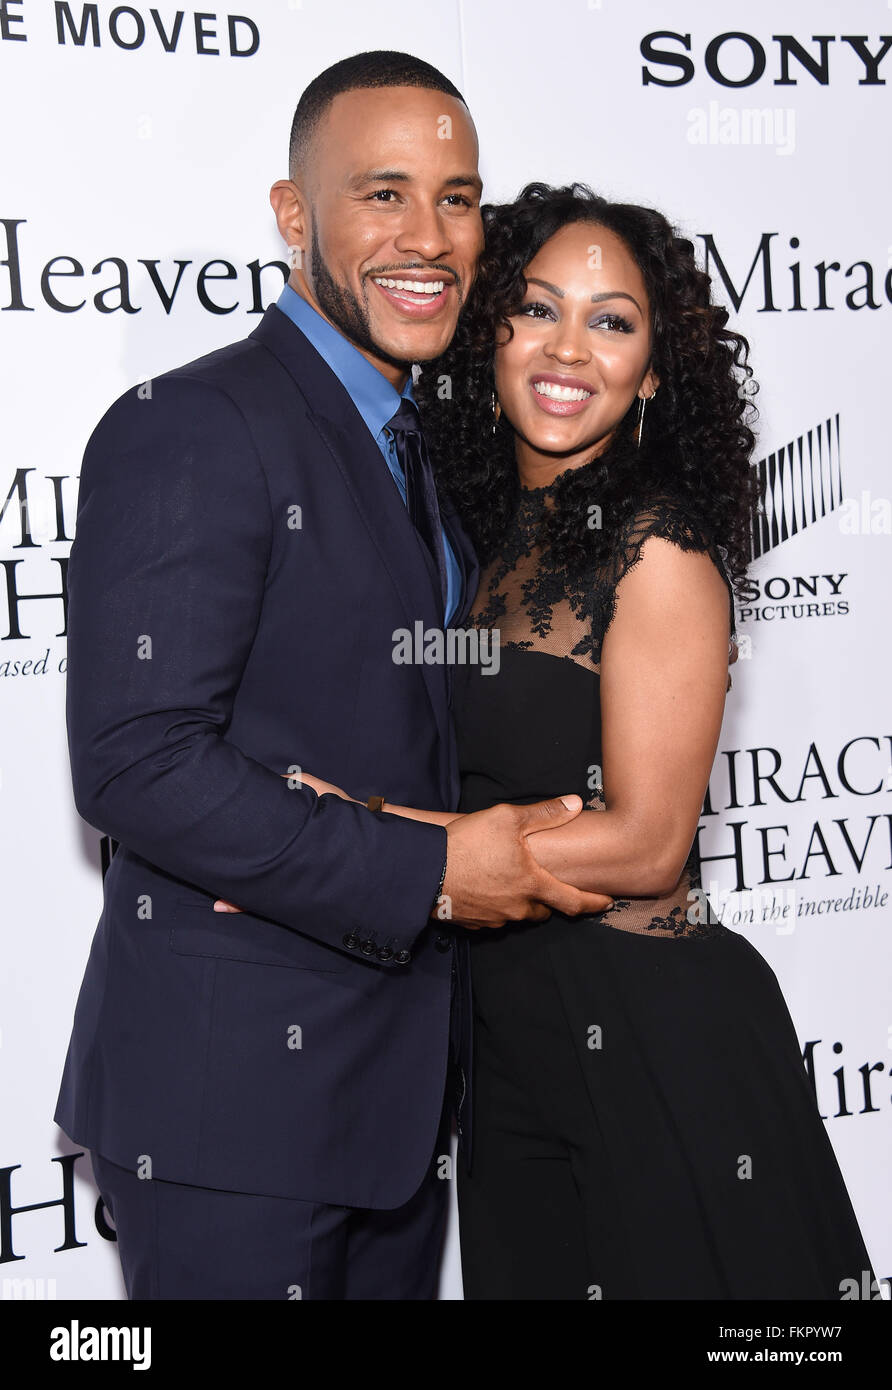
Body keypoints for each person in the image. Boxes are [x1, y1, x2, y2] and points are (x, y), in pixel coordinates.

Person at [54, 59, 611, 1303]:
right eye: (383, 194)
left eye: (457, 199)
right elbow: (137, 759)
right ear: (294, 216)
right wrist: (434, 870)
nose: (429, 239)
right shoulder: (194, 424)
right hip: (235, 1117)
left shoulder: (428, 449)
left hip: (396, 1109)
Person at [257, 182, 877, 1299]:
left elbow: (645, 845)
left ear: (651, 373)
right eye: (538, 309)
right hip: (507, 1046)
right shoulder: (476, 541)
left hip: (656, 1038)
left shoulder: (660, 550)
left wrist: (378, 840)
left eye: (612, 321)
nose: (568, 348)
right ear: (488, 333)